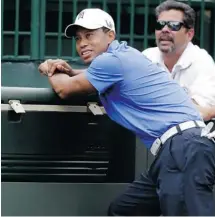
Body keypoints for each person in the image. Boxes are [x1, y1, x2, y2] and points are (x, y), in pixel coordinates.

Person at [38, 8, 215, 216]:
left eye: (89, 35)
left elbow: (64, 89)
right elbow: (89, 76)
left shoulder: (111, 61)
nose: (82, 43)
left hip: (183, 148)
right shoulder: (124, 56)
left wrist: (51, 68)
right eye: (78, 38)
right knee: (123, 211)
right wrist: (69, 72)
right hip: (176, 150)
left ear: (110, 35)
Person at [142, 0, 215, 122]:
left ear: (190, 34)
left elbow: (200, 112)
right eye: (160, 24)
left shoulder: (202, 61)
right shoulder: (146, 57)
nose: (164, 29)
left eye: (174, 25)